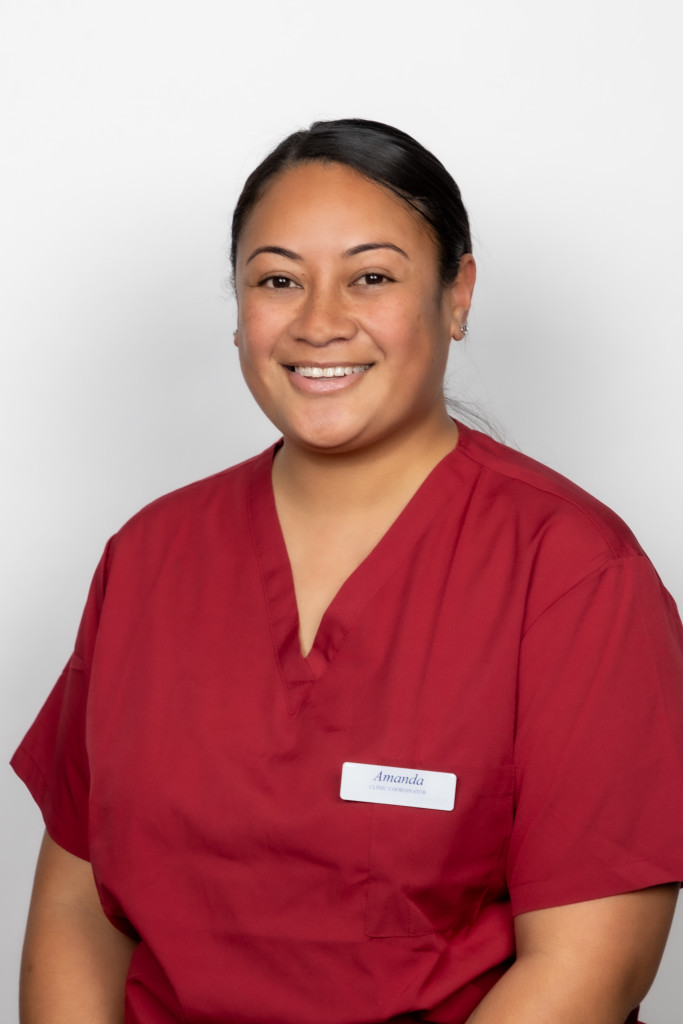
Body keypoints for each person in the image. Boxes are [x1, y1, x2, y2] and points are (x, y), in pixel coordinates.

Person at [12, 118, 683, 1024]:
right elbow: (76, 909)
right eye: (277, 280)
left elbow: (591, 967)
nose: (319, 322)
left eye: (371, 277)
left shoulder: (573, 572)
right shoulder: (149, 557)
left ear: (456, 295)